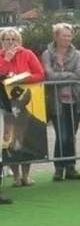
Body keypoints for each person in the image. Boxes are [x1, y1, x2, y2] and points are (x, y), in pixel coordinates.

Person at [0, 27, 45, 186]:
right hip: (5, 103)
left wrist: (23, 80)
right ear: (2, 42)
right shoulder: (0, 56)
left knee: (26, 138)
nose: (11, 42)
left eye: (14, 39)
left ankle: (26, 175)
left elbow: (40, 74)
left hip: (25, 100)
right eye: (7, 39)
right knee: (10, 138)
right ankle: (16, 175)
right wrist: (6, 59)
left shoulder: (28, 54)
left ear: (19, 41)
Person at [42, 23, 80, 181]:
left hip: (74, 100)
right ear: (56, 36)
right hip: (56, 100)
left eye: (69, 36)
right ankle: (59, 168)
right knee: (62, 135)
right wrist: (69, 75)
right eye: (64, 35)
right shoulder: (47, 54)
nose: (67, 38)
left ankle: (71, 167)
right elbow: (49, 75)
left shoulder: (78, 54)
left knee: (71, 135)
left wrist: (60, 75)